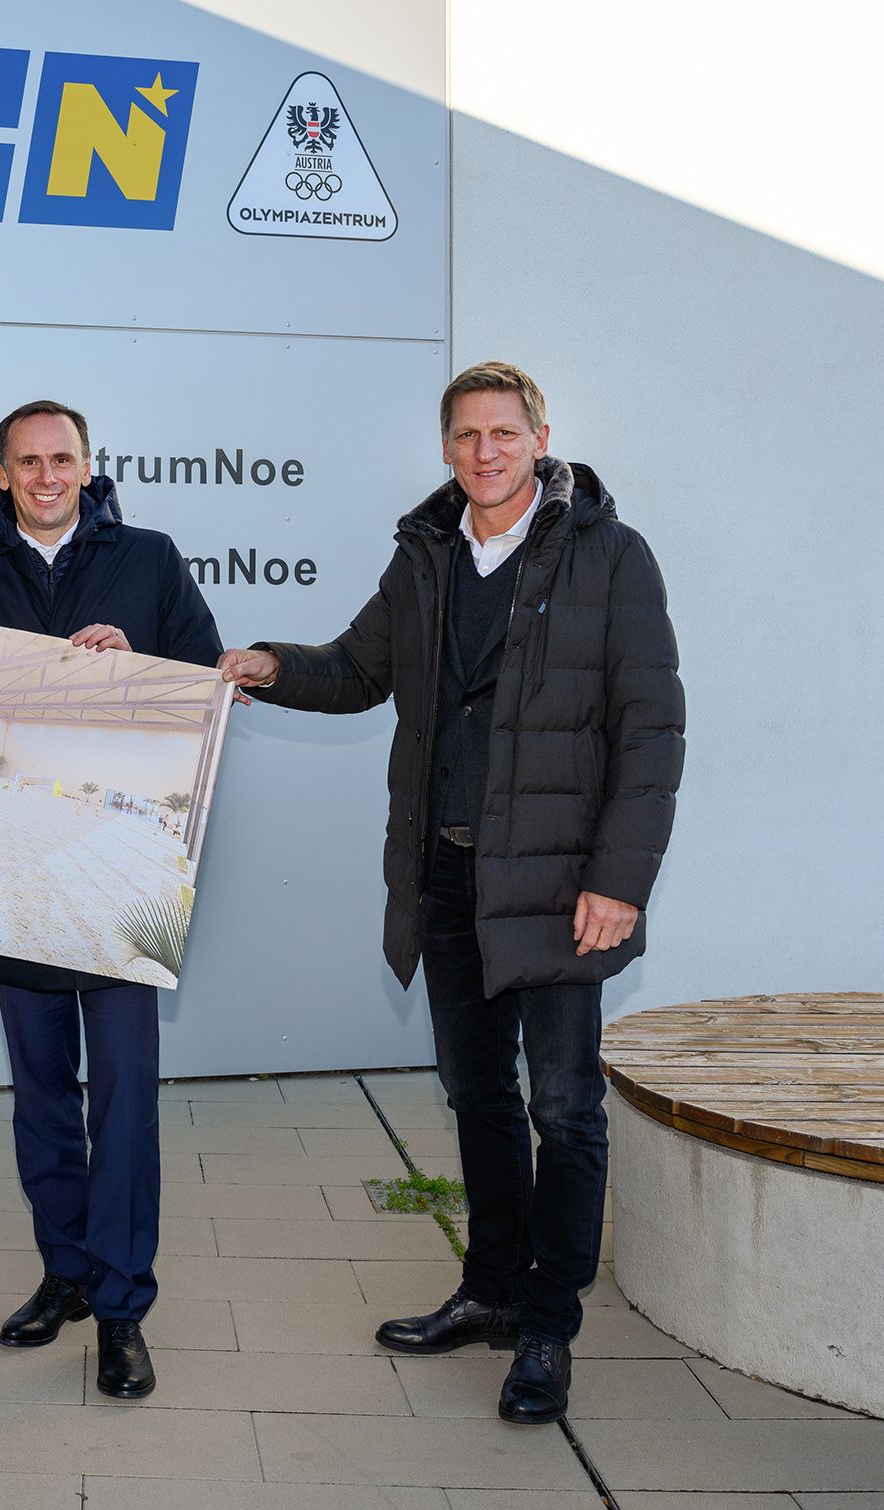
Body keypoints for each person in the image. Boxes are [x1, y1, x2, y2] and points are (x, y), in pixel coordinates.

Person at [219, 362, 684, 1426]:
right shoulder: (424, 555)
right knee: (476, 1097)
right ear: (444, 447)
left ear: (539, 438)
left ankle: (548, 1321)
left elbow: (650, 728)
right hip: (445, 874)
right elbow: (353, 670)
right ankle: (486, 1287)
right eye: (465, 434)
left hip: (560, 883)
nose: (483, 451)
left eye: (502, 433)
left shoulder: (608, 555)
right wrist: (262, 664)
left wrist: (620, 879)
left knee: (562, 1107)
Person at [0, 398, 224, 1400]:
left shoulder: (149, 557)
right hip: (10, 875)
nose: (46, 474)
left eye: (63, 458)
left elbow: (208, 689)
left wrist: (132, 668)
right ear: (0, 470)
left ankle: (122, 1308)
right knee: (43, 1094)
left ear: (88, 465)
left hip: (118, 870)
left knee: (126, 1095)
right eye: (27, 461)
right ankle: (64, 1270)